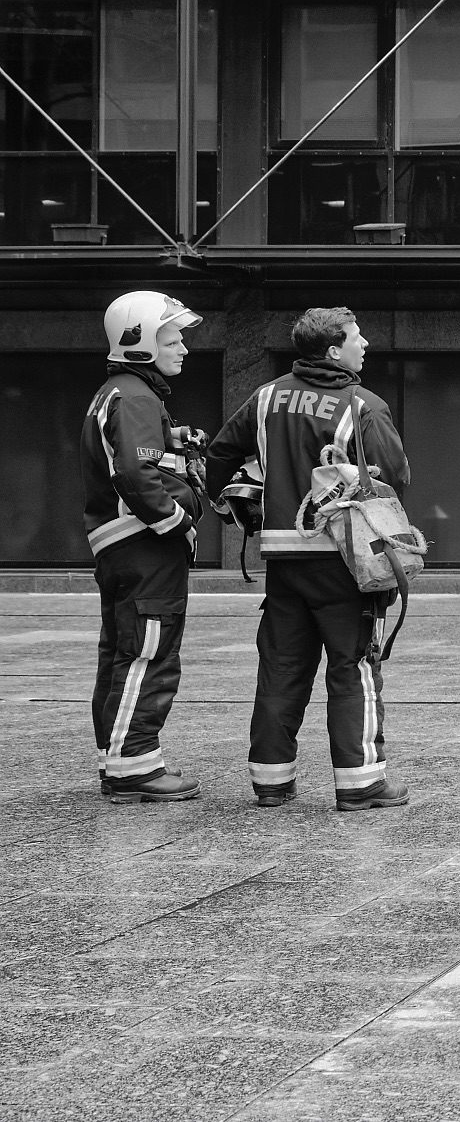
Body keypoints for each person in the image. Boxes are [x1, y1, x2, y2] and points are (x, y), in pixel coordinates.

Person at [207, 307, 411, 813]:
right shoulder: (362, 405)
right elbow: (397, 478)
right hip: (345, 563)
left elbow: (218, 456)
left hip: (281, 560)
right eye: (357, 338)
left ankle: (271, 782)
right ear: (333, 350)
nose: (365, 345)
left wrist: (238, 510)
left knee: (281, 666)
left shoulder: (265, 397)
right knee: (353, 665)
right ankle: (360, 783)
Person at [82, 291, 206, 803]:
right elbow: (134, 472)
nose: (182, 347)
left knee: (120, 654)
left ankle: (118, 758)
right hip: (144, 548)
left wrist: (172, 441)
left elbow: (134, 460)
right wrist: (177, 522)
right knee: (147, 654)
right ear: (137, 342)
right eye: (171, 338)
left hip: (120, 549)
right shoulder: (134, 396)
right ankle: (135, 769)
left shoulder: (119, 393)